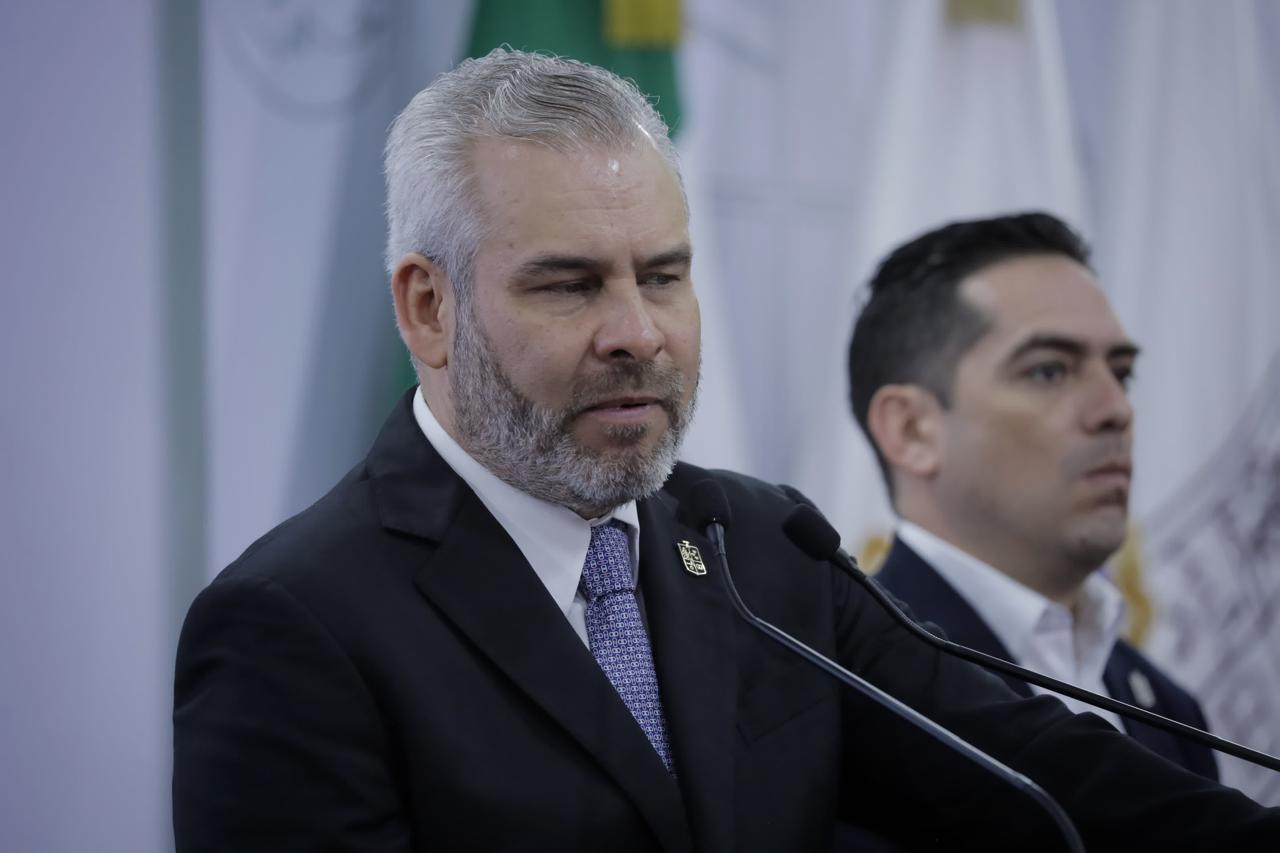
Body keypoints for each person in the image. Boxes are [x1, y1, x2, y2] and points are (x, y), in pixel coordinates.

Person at [173, 51, 1277, 851]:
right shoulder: (295, 623)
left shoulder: (762, 544)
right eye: (569, 284)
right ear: (428, 307)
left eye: (662, 275)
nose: (637, 333)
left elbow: (1041, 769)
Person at [847, 212, 1217, 779]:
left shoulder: (1168, 710)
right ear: (912, 430)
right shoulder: (850, 694)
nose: (1117, 410)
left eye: (1121, 373)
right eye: (1049, 371)